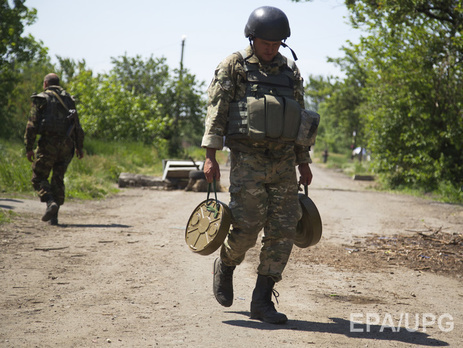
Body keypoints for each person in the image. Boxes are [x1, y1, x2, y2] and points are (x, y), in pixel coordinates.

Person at [201, 6, 315, 324]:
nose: (271, 47)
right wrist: (209, 157)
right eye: (266, 41)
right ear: (253, 38)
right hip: (247, 159)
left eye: (277, 42)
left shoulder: (289, 71)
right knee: (247, 227)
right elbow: (216, 112)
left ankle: (262, 300)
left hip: (283, 161)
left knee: (283, 229)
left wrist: (303, 161)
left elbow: (301, 120)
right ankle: (226, 263)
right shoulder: (234, 66)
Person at [24, 73, 85, 226]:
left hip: (48, 145)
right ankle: (54, 217)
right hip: (66, 145)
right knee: (58, 178)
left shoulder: (41, 99)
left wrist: (29, 147)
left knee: (38, 177)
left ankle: (50, 202)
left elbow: (32, 125)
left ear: (45, 84)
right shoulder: (69, 99)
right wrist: (79, 146)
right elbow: (77, 125)